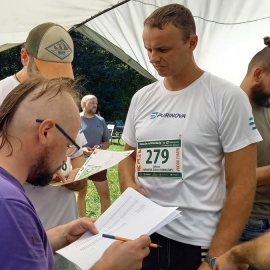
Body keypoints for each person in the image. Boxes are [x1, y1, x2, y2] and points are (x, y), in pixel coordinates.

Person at [0, 77, 151, 270]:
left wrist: (61, 235)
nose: (64, 157)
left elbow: (4, 249)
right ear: (45, 132)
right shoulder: (3, 205)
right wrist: (108, 266)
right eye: (68, 144)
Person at [118, 4, 262, 270]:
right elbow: (128, 155)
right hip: (142, 235)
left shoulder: (226, 97)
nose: (153, 58)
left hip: (195, 240)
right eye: (148, 49)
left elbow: (243, 183)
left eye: (163, 49)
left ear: (191, 42)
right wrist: (128, 184)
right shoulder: (142, 98)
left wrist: (216, 258)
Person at [0, 22, 87, 269]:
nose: (53, 84)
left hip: (56, 234)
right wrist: (26, 170)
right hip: (14, 229)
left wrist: (75, 176)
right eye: (47, 72)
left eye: (61, 76)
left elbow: (78, 162)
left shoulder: (61, 98)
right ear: (25, 57)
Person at [236, 36, 270, 270]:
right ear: (258, 74)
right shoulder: (233, 110)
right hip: (250, 223)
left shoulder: (265, 107)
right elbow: (230, 179)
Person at [77, 94, 112, 217]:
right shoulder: (75, 119)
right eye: (92, 102)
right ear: (83, 104)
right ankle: (81, 222)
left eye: (96, 103)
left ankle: (105, 223)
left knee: (105, 193)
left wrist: (101, 147)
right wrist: (82, 150)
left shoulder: (100, 120)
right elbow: (68, 143)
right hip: (80, 161)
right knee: (81, 193)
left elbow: (107, 141)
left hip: (98, 161)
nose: (95, 105)